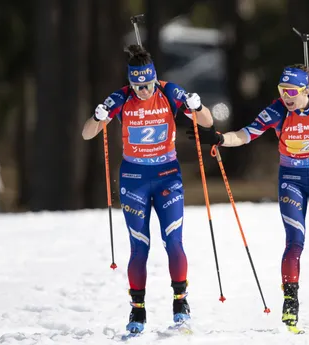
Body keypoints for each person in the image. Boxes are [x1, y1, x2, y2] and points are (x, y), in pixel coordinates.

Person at [190, 64, 309, 333]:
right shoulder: (278, 110)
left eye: (292, 91)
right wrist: (220, 139)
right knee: (295, 241)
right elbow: (247, 134)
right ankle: (290, 306)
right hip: (291, 181)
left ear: (306, 90)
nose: (286, 96)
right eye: (282, 90)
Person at [82, 45, 214, 334]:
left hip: (168, 176)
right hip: (134, 178)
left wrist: (197, 107)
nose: (143, 91)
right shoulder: (121, 98)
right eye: (138, 86)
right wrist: (98, 116)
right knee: (139, 246)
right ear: (130, 83)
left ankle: (181, 303)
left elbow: (207, 122)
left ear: (156, 79)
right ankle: (137, 310)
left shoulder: (169, 93)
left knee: (174, 240)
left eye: (148, 85)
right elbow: (87, 133)